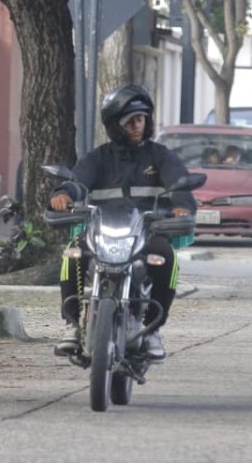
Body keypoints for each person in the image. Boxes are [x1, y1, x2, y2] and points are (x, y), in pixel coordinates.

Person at [48, 84, 195, 363]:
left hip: (146, 233)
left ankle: (152, 330)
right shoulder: (99, 158)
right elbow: (78, 181)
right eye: (130, 121)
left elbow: (179, 185)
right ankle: (72, 325)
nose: (137, 125)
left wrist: (180, 207)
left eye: (141, 119)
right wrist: (64, 195)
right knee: (72, 253)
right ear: (115, 125)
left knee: (166, 258)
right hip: (102, 232)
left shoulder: (160, 156)